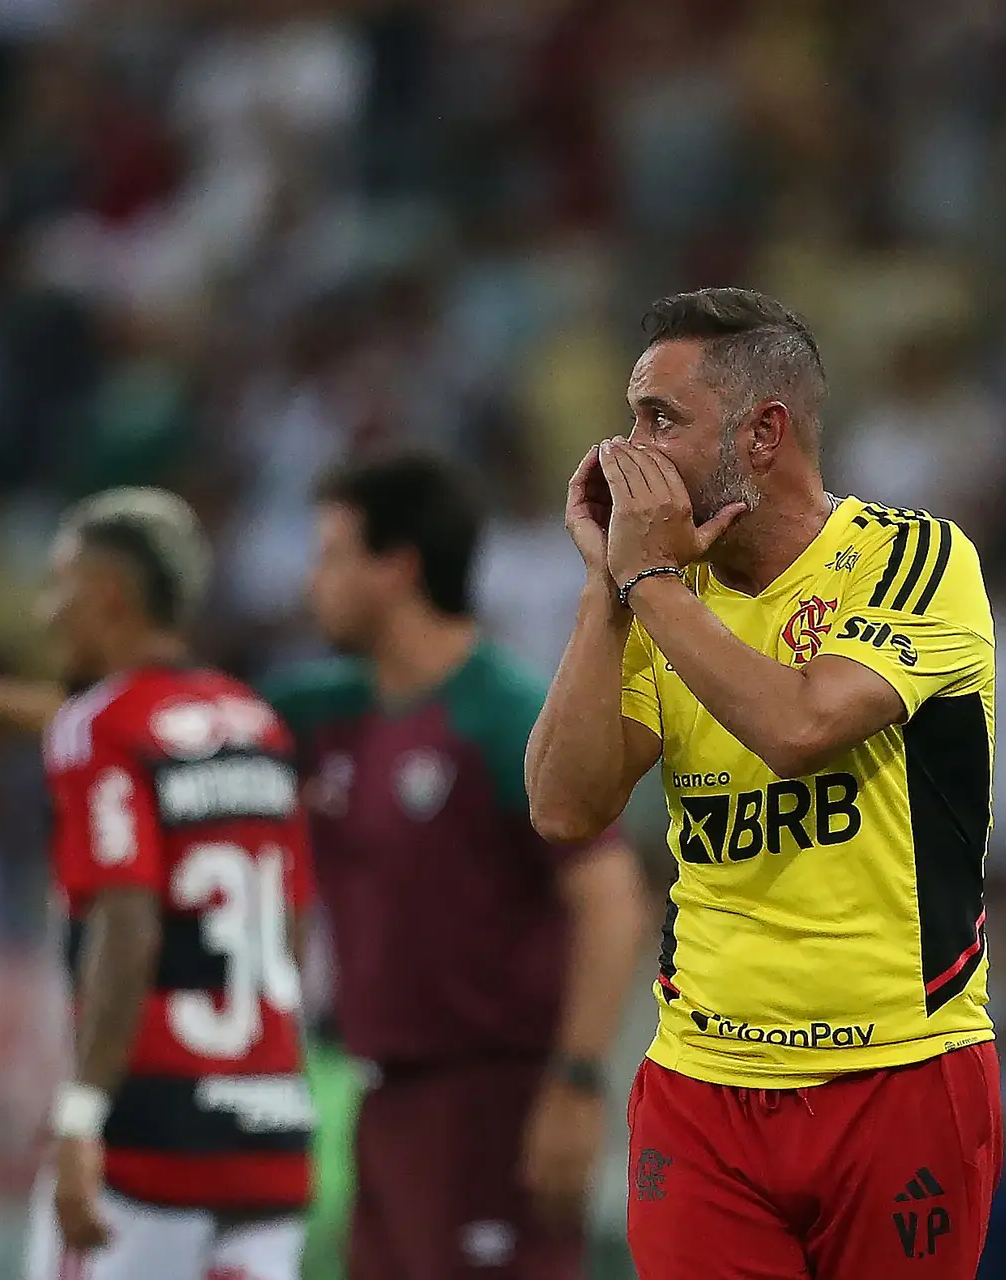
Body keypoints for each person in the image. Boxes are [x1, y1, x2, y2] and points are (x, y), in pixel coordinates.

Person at [525, 287, 1003, 1280]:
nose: (628, 448)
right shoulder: (668, 596)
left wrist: (648, 581)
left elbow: (801, 725)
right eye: (630, 416)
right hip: (704, 1079)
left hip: (898, 1062)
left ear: (765, 431)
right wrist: (607, 591)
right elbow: (565, 806)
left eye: (660, 419)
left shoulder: (910, 557)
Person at [0, 488, 315, 1280]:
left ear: (108, 595)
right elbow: (296, 926)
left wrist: (80, 1115)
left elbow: (127, 926)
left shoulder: (98, 729)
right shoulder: (255, 724)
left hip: (148, 1136)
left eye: (59, 585)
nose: (44, 614)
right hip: (270, 1132)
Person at [262, 453, 652, 1280]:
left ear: (398, 568)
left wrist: (577, 1084)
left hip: (496, 1106)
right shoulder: (323, 714)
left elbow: (613, 903)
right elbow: (177, 728)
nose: (311, 584)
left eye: (330, 556)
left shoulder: (502, 713)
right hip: (382, 1101)